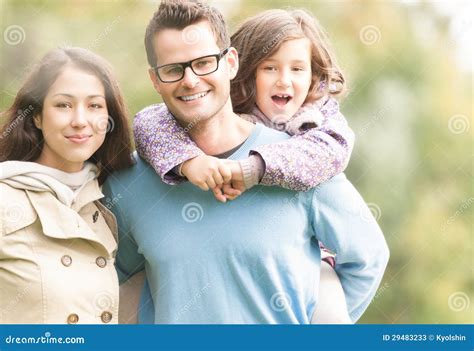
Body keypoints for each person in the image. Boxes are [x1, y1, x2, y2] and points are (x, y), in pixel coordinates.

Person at [104, 0, 389, 324]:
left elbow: (368, 260)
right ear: (155, 80)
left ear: (231, 62)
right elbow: (101, 282)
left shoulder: (305, 164)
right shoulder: (132, 180)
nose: (190, 81)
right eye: (173, 69)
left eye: (204, 63)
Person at [0, 47, 134, 324]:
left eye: (95, 105)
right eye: (63, 105)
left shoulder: (106, 200)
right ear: (36, 116)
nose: (80, 121)